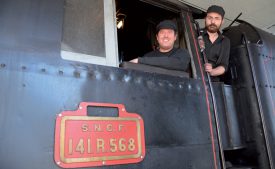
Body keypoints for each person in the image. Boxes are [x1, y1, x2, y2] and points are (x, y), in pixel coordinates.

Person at [201, 5, 230, 81]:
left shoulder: (225, 41)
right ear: (205, 18)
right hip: (194, 76)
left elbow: (224, 65)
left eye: (217, 18)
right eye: (210, 17)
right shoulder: (195, 33)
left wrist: (212, 71)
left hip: (213, 83)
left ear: (222, 21)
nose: (213, 22)